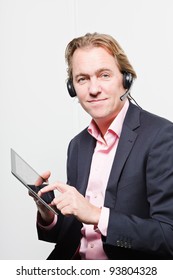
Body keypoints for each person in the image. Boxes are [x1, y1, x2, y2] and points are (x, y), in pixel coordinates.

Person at [33, 32, 173, 260]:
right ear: (72, 88)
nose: (94, 89)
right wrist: (49, 215)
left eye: (104, 75)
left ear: (125, 79)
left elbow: (168, 236)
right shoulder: (77, 145)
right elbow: (74, 233)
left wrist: (98, 215)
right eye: (82, 79)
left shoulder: (161, 136)